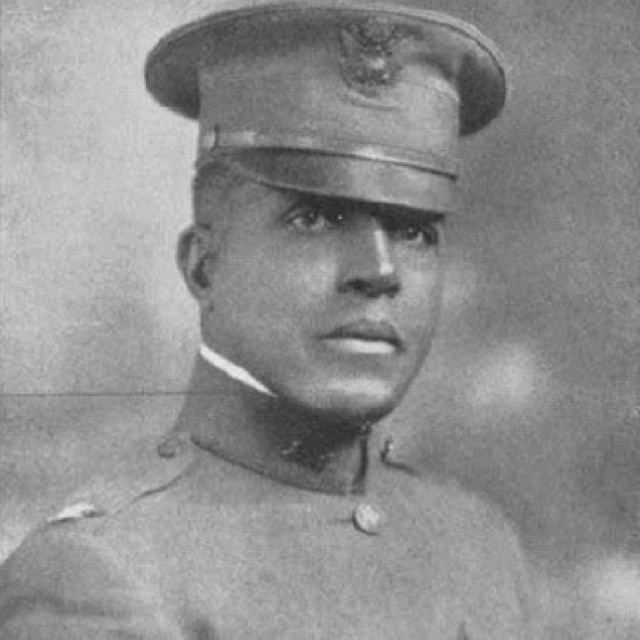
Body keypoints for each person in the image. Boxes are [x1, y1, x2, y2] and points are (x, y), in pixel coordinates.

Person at [0, 1, 533, 638]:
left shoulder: (479, 549)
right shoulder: (102, 573)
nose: (380, 270)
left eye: (415, 230)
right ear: (204, 268)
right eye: (314, 218)